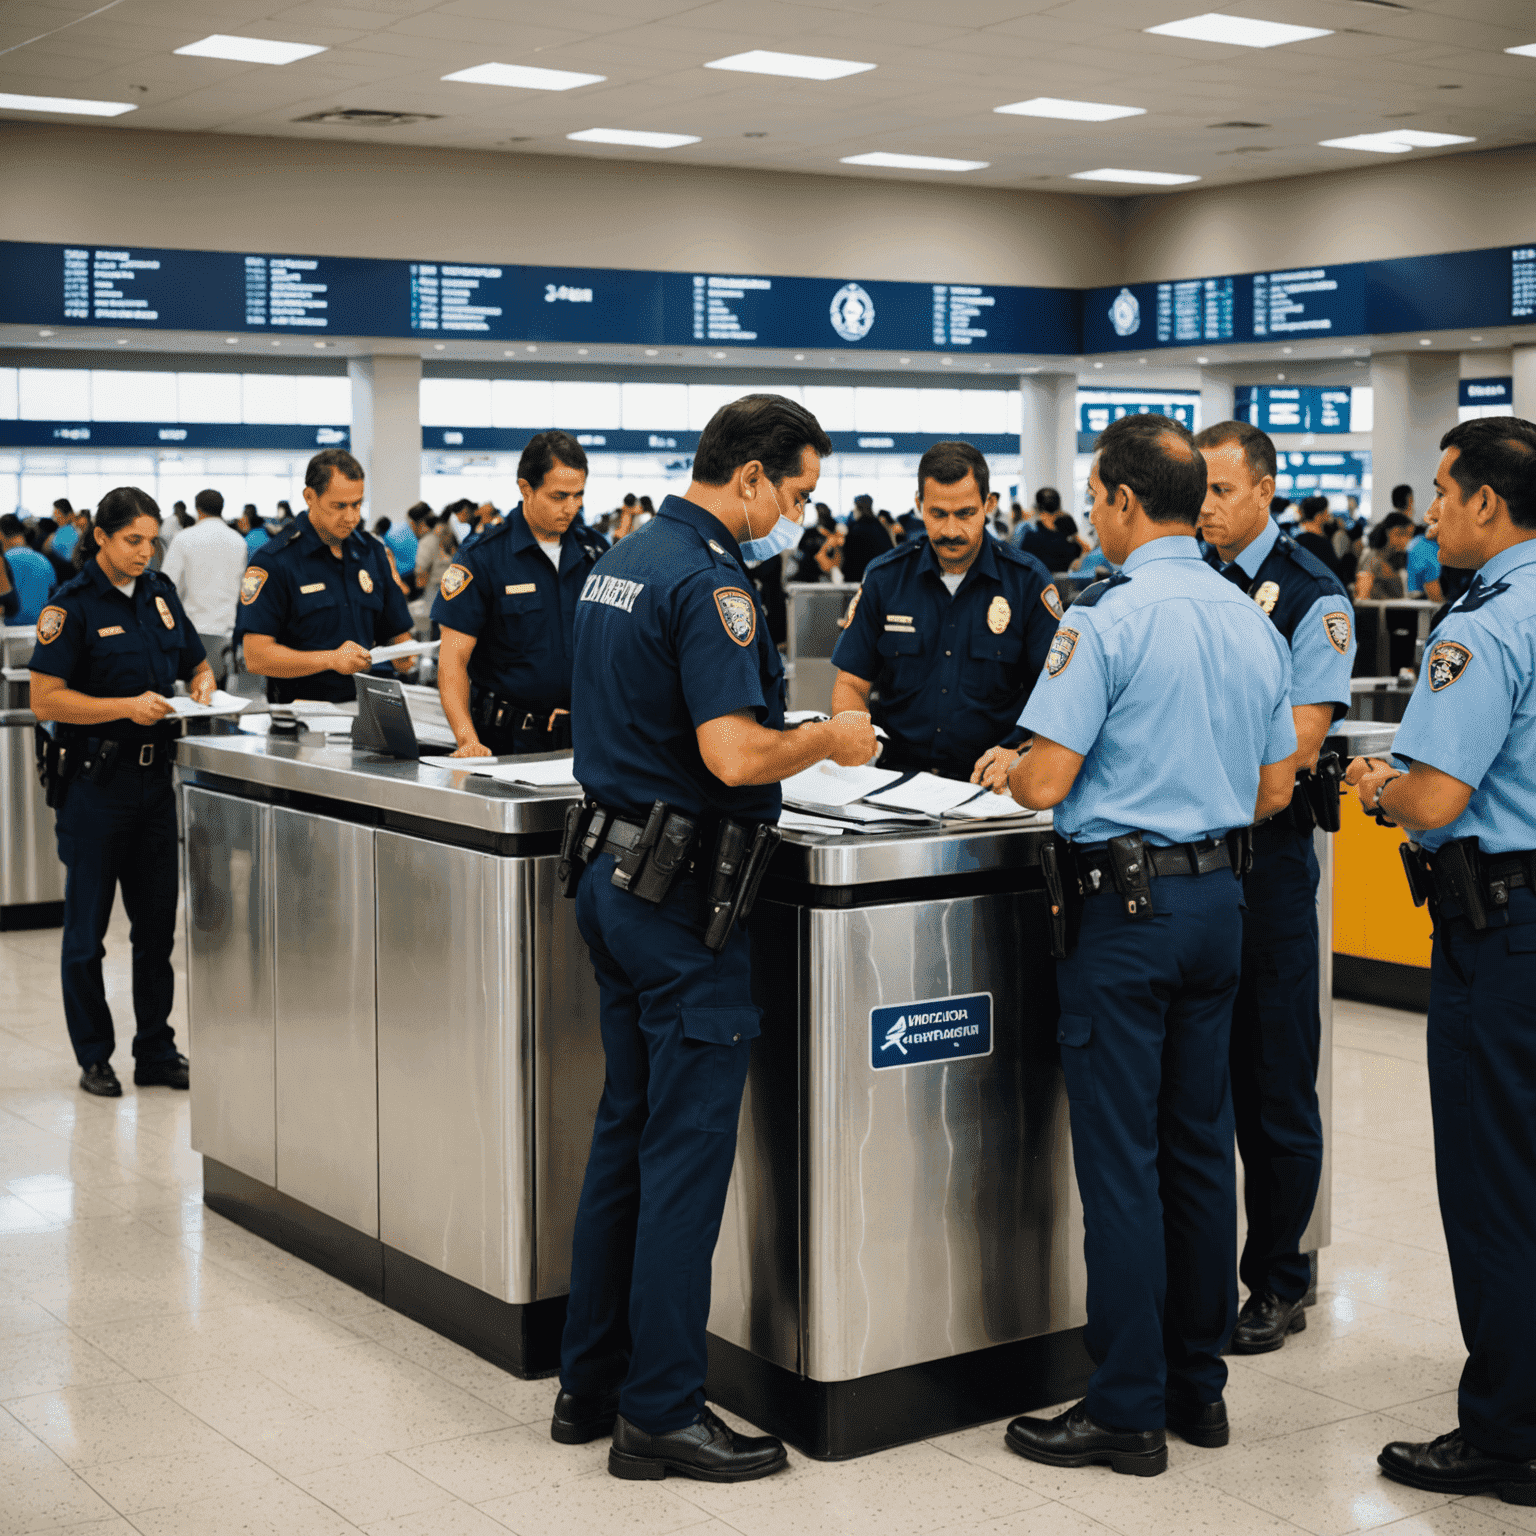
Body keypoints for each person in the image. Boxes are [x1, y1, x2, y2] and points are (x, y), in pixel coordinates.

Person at [555, 393, 876, 1482]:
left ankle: (589, 1383)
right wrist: (828, 738)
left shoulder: (622, 556)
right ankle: (660, 1413)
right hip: (684, 905)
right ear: (748, 475)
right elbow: (736, 756)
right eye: (797, 490)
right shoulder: (713, 582)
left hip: (612, 873)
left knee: (625, 1139)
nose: (798, 511)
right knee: (684, 1157)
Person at [1002, 413, 1296, 1476]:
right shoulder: (1249, 620)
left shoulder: (1107, 618)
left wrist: (1011, 769)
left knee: (1120, 1164)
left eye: (1094, 497)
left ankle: (1124, 1407)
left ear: (1127, 502)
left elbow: (1043, 780)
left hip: (1121, 921)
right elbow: (1274, 786)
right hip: (1221, 905)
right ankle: (1196, 1388)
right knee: (1195, 1150)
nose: (1090, 515)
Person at [1346, 416, 1536, 1506]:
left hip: (1502, 934)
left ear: (1487, 506)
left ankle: (1506, 1431)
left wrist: (1381, 789)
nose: (1429, 514)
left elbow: (1435, 797)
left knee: (1497, 1182)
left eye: (1443, 493)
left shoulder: (1489, 623)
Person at [1195, 420, 1357, 1353]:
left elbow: (1292, 754)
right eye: (1200, 492)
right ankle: (1210, 1269)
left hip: (1271, 868)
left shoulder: (1310, 596)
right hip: (1199, 868)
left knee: (1275, 1081)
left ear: (1264, 488)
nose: (1207, 508)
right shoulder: (1185, 585)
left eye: (1221, 490)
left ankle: (1281, 1276)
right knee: (1202, 1081)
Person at [28, 487, 215, 1098]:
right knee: (86, 934)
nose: (145, 551)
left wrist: (204, 680)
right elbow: (46, 698)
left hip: (154, 784)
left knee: (156, 930)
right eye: (132, 540)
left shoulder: (160, 595)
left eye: (151, 540)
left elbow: (193, 660)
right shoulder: (71, 605)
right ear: (101, 537)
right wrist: (123, 707)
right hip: (94, 787)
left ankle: (156, 1050)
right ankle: (94, 1056)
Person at [830, 440, 1059, 787]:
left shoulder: (1027, 582)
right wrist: (853, 735)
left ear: (989, 504)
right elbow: (851, 682)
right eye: (938, 514)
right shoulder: (885, 577)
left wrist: (1022, 753)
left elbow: (1056, 693)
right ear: (920, 505)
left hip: (991, 786)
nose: (951, 530)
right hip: (896, 782)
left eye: (965, 513)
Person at [431, 432, 606, 757]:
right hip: (508, 738)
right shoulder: (483, 557)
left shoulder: (595, 551)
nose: (571, 508)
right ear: (526, 489)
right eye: (559, 496)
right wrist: (467, 739)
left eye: (578, 495)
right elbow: (453, 659)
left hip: (584, 735)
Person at [234, 449, 414, 704]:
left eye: (357, 504)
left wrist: (405, 651)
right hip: (301, 716)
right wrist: (330, 659)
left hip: (367, 706)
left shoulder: (371, 553)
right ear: (310, 497)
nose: (351, 517)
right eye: (339, 506)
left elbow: (396, 631)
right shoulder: (276, 561)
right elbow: (256, 656)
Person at [161, 488, 249, 687]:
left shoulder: (184, 538)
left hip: (192, 631)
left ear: (197, 509)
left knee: (193, 694)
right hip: (226, 631)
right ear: (222, 508)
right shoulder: (238, 541)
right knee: (221, 695)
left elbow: (167, 584)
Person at [0, 513, 57, 625]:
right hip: (39, 629)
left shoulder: (4, 563)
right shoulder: (43, 561)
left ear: (1, 535)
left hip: (7, 630)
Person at [1355, 511, 1414, 600]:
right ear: (1389, 532)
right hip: (1377, 611)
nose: (1407, 539)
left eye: (1410, 535)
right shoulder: (1371, 558)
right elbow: (1363, 596)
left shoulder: (1396, 559)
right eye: (1402, 534)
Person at [841, 494, 894, 581]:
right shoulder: (879, 527)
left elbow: (849, 561)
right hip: (880, 577)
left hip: (859, 579)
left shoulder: (855, 530)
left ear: (858, 508)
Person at [1295, 497, 1347, 582]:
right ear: (1318, 516)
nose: (1330, 514)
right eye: (1326, 511)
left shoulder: (1299, 537)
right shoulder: (1316, 543)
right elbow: (1333, 569)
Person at [1406, 520, 1444, 602]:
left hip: (1412, 600)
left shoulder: (1416, 541)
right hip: (1423, 605)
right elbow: (1433, 589)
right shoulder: (1428, 546)